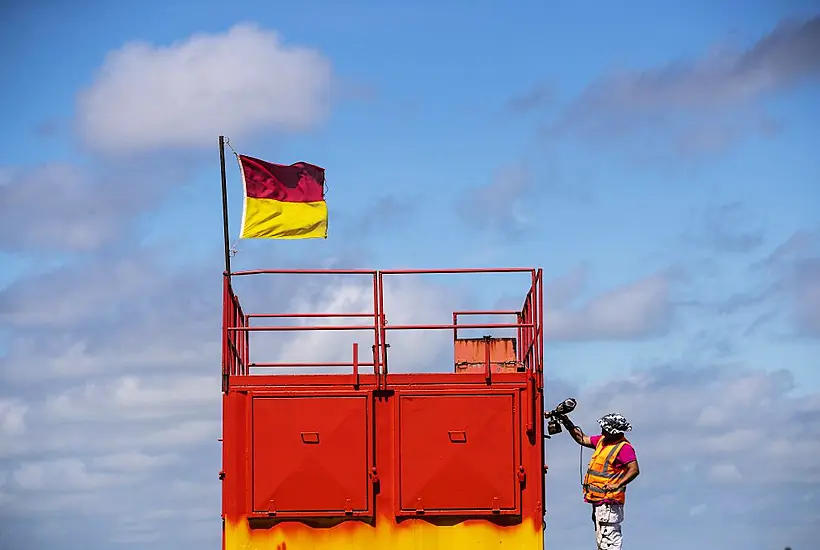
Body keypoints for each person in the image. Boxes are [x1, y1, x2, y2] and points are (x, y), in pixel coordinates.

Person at [558, 412, 639, 550]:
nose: (602, 431)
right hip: (599, 500)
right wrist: (567, 422)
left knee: (609, 542)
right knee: (602, 541)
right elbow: (581, 438)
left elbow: (634, 469)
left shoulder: (624, 448)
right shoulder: (602, 441)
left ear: (613, 431)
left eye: (605, 429)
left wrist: (617, 484)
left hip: (610, 502)